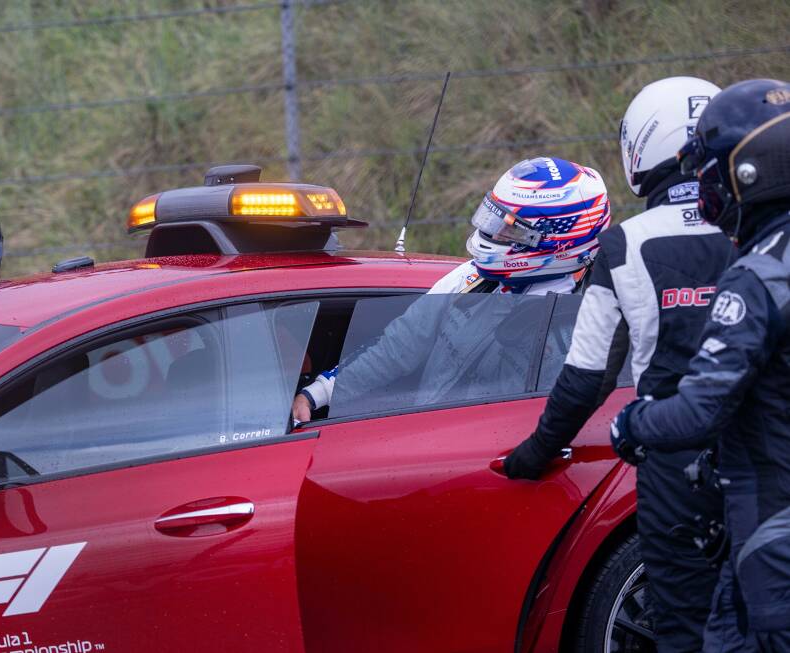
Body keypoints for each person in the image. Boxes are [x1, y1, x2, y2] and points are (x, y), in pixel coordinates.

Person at [502, 77, 730, 651]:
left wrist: (532, 454)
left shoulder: (625, 243)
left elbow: (587, 375)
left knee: (682, 625)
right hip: (761, 454)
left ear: (643, 147)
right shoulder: (760, 231)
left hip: (673, 465)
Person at [610, 78, 790, 652]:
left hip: (773, 525)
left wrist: (633, 424)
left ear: (748, 174)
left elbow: (698, 411)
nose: (704, 193)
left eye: (710, 176)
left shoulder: (761, 274)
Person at [292, 156, 610, 421]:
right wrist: (316, 394)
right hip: (431, 443)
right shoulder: (470, 279)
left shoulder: (584, 327)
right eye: (494, 220)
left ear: (557, 242)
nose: (492, 233)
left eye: (508, 230)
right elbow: (398, 346)